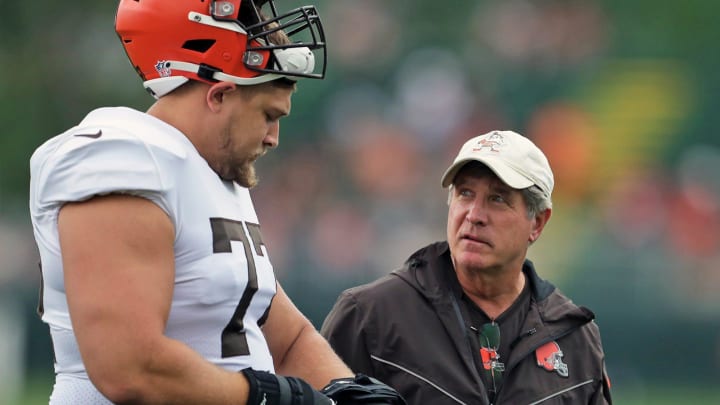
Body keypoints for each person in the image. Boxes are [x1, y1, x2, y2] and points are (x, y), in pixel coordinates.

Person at [29, 1, 404, 404]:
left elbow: (288, 338)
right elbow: (129, 368)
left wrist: (344, 392)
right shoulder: (122, 157)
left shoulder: (211, 176)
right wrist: (268, 397)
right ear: (220, 95)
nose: (273, 137)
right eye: (267, 115)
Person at [321, 130, 613, 404]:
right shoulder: (370, 316)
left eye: (497, 199)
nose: (474, 215)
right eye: (465, 193)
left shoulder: (575, 340)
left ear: (537, 222)